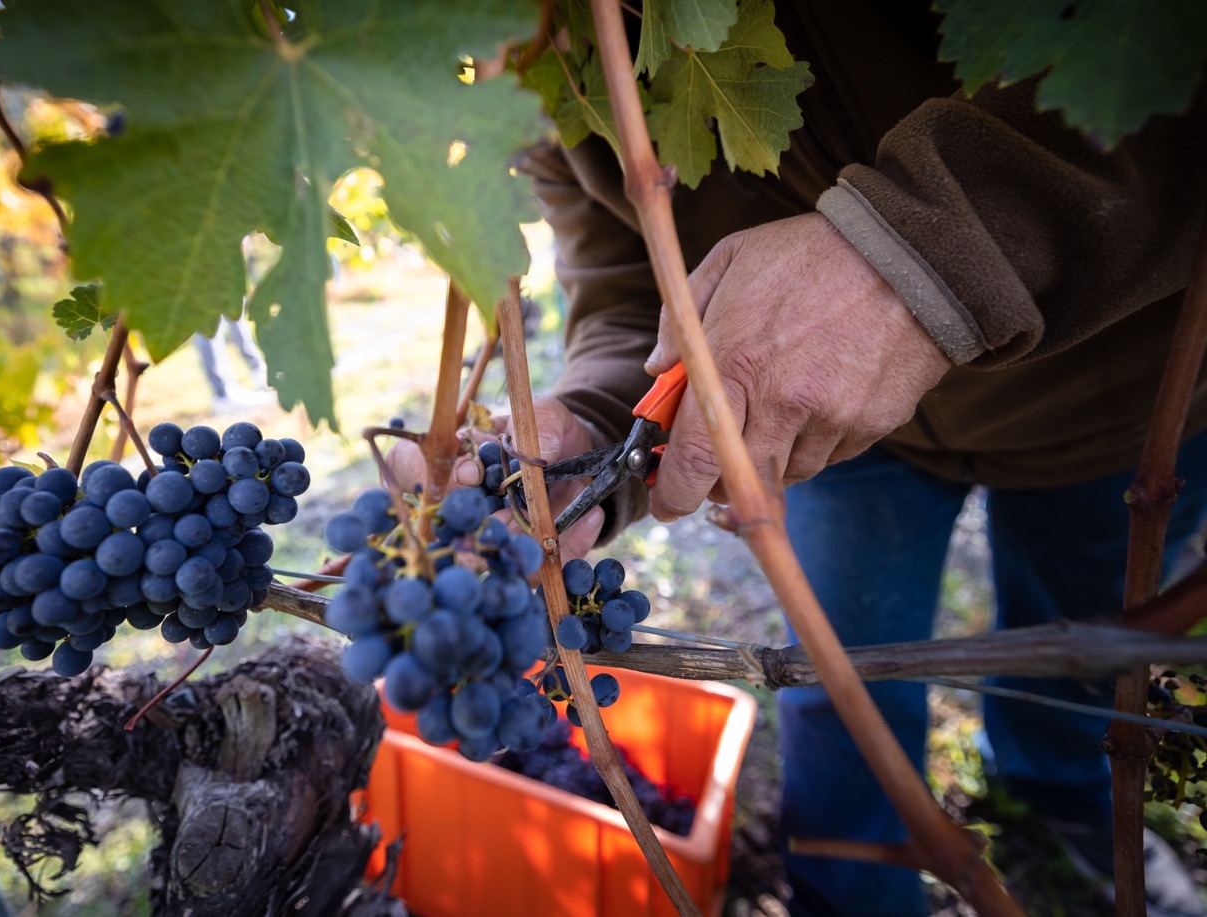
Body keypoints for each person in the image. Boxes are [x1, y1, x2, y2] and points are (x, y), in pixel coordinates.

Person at [394, 3, 1207, 914]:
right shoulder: (540, 48)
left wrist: (920, 252)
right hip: (816, 433)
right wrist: (591, 417)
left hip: (1114, 403)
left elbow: (1173, 67)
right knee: (834, 675)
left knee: (1081, 650)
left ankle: (1064, 806)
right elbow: (629, 280)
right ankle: (852, 891)